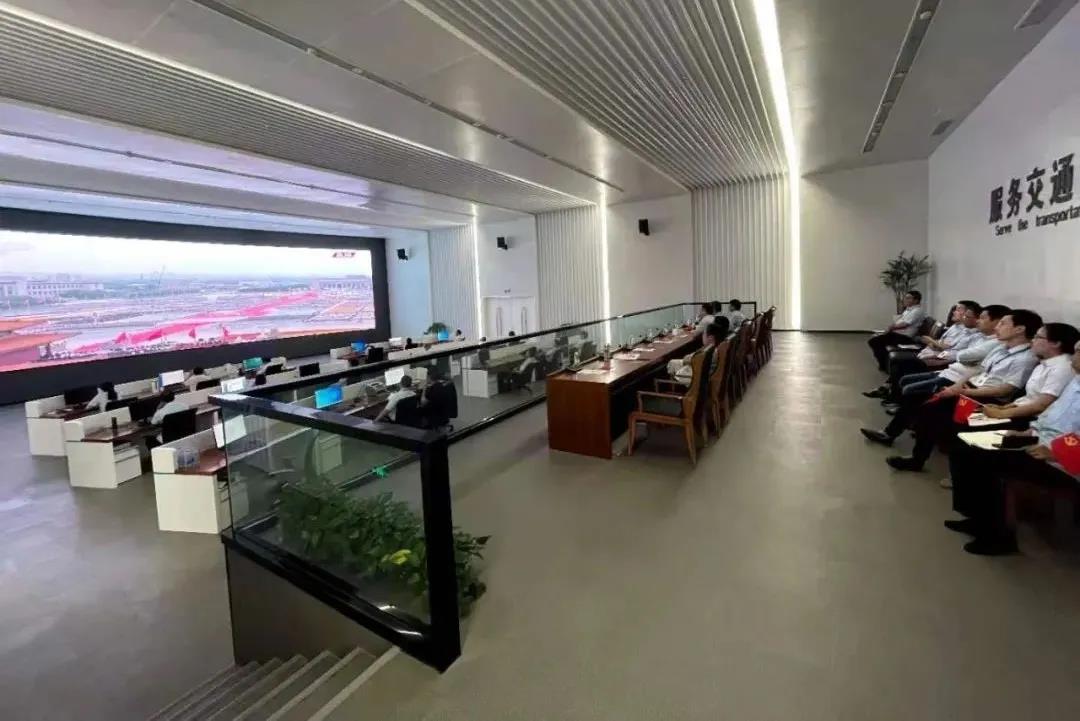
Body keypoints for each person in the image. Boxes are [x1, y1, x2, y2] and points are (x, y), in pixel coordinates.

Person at [864, 310, 1043, 470]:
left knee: (930, 409)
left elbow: (1004, 390)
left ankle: (915, 457)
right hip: (969, 389)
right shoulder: (1001, 349)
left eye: (1003, 323)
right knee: (921, 401)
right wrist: (958, 386)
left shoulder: (1025, 358)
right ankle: (897, 441)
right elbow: (980, 371)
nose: (998, 326)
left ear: (1019, 329)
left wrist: (962, 392)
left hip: (987, 402)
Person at [945, 346, 1080, 555]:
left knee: (986, 461)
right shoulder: (1075, 381)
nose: (1073, 356)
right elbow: (1049, 416)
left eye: (1079, 352)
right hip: (1040, 442)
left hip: (1065, 461)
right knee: (963, 449)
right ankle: (977, 518)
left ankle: (1000, 538)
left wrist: (1056, 453)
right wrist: (1027, 432)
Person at [881, 304, 1010, 406]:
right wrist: (937, 345)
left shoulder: (992, 342)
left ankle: (900, 406)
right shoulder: (978, 336)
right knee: (903, 374)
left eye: (981, 318)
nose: (977, 322)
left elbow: (960, 354)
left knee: (907, 379)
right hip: (949, 367)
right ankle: (892, 395)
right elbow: (952, 349)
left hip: (951, 369)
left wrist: (937, 346)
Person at [864, 301, 982, 400]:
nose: (954, 312)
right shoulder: (955, 327)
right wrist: (934, 343)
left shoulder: (972, 334)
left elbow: (947, 348)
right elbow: (939, 343)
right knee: (898, 363)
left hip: (939, 359)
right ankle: (889, 390)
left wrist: (933, 344)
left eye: (959, 310)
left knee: (900, 362)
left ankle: (891, 394)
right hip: (931, 353)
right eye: (955, 309)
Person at [867, 291, 927, 371]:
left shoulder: (917, 311)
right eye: (905, 298)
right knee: (875, 341)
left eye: (908, 298)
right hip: (897, 334)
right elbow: (898, 322)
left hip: (904, 337)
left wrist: (890, 328)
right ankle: (885, 363)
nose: (905, 300)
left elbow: (905, 324)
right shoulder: (908, 310)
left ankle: (884, 365)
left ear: (916, 300)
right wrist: (890, 328)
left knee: (874, 341)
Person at [668, 321, 726, 386]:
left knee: (673, 364)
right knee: (675, 363)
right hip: (705, 375)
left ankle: (673, 387)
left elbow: (689, 359)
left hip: (698, 381)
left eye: (703, 334)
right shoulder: (717, 348)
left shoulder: (707, 352)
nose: (702, 336)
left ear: (710, 338)